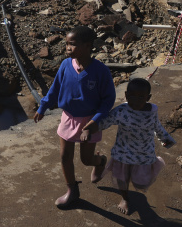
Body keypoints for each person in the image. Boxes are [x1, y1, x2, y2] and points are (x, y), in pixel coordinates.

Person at [33, 26, 116, 208]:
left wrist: (95, 122)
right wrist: (43, 106)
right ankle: (72, 190)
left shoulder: (101, 71)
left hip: (90, 121)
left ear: (87, 46)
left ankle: (100, 161)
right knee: (65, 156)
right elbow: (55, 90)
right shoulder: (65, 65)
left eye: (72, 45)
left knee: (86, 159)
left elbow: (108, 100)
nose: (67, 48)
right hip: (69, 117)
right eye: (66, 44)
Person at [81, 78, 176, 215]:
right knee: (122, 179)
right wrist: (89, 129)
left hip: (144, 154)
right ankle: (125, 198)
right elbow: (106, 121)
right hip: (123, 153)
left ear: (148, 98)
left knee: (140, 183)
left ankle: (127, 189)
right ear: (126, 95)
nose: (136, 100)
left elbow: (157, 127)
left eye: (140, 97)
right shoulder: (121, 111)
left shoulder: (152, 111)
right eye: (132, 96)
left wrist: (165, 139)